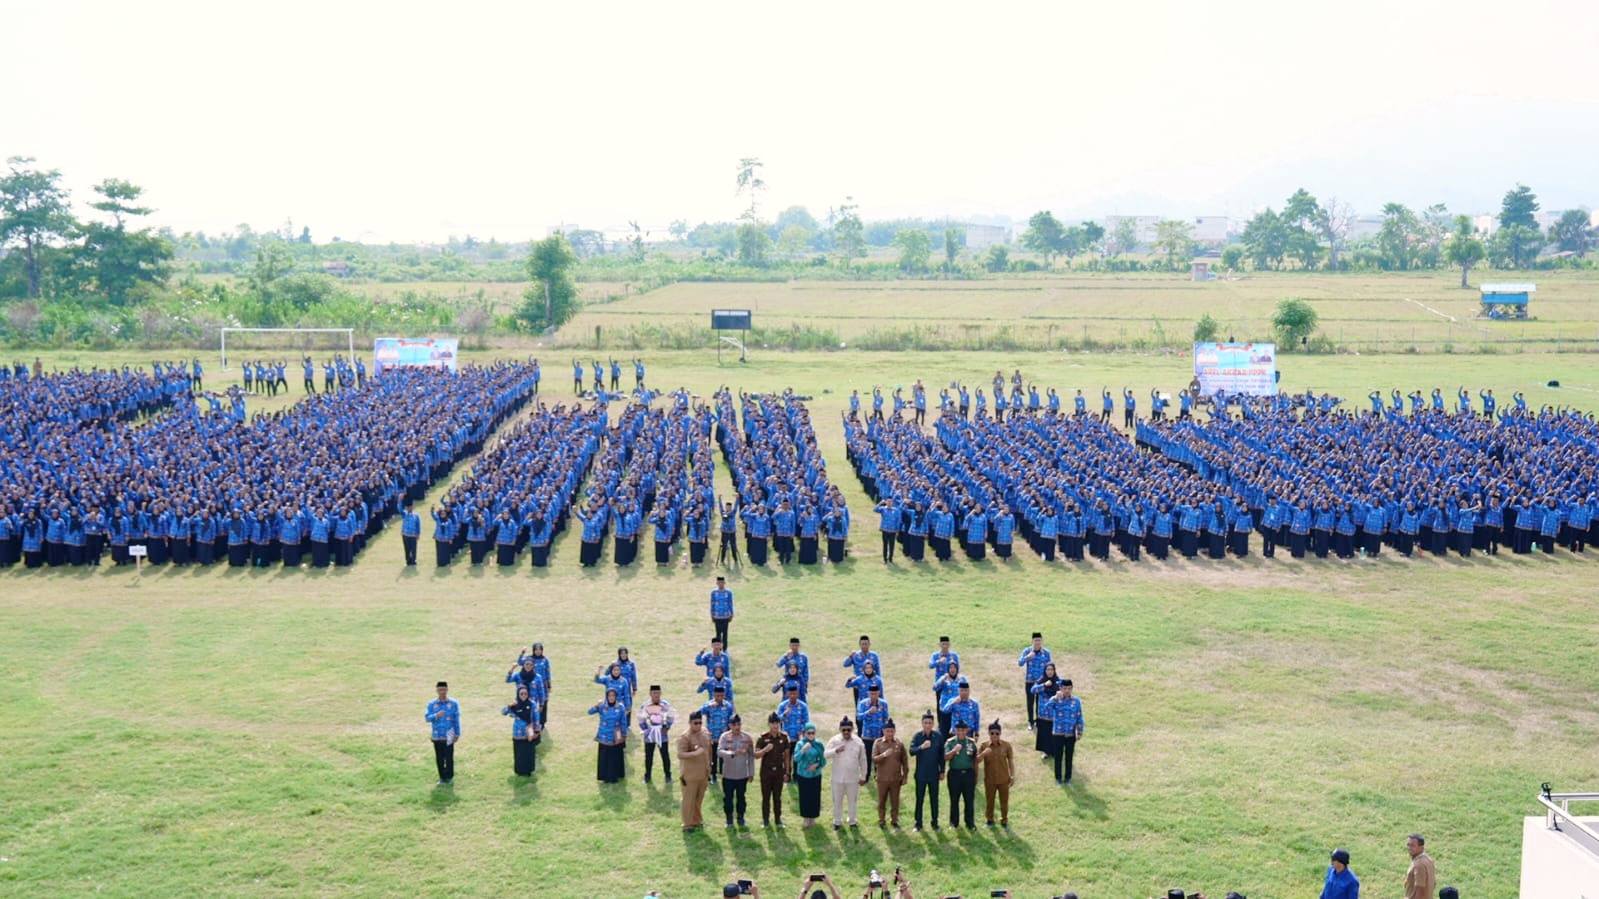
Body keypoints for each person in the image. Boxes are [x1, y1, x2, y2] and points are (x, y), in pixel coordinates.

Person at [824, 717, 868, 829]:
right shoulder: (834, 740)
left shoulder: (858, 742)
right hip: (837, 777)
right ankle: (837, 821)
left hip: (852, 778)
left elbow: (863, 760)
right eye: (844, 730)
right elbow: (825, 754)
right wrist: (835, 750)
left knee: (852, 801)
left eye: (848, 729)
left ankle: (852, 820)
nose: (846, 732)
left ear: (852, 729)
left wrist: (863, 776)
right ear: (840, 729)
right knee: (837, 801)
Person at [1041, 679, 1084, 784]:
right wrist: (1054, 698)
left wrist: (1080, 731)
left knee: (1069, 757)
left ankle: (1068, 778)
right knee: (1058, 757)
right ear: (1060, 688)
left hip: (1070, 734)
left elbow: (1079, 717)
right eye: (1064, 688)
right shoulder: (1055, 699)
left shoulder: (1076, 701)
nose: (1067, 691)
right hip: (1058, 734)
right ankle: (1058, 778)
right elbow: (1045, 710)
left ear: (1072, 689)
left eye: (1069, 688)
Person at [718, 714, 756, 828]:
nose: (737, 727)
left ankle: (741, 817)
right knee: (728, 798)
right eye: (734, 724)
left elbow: (751, 757)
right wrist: (732, 753)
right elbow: (719, 752)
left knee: (741, 798)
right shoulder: (724, 737)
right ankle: (729, 819)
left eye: (739, 724)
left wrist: (751, 773)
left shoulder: (747, 738)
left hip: (742, 774)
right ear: (730, 725)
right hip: (728, 774)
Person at [909, 711, 945, 831]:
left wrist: (942, 771)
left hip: (934, 774)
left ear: (933, 723)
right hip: (921, 774)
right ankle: (918, 823)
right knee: (919, 799)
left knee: (934, 799)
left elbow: (941, 755)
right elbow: (911, 751)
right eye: (925, 723)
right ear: (922, 723)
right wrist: (921, 747)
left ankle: (935, 823)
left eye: (930, 723)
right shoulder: (918, 736)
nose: (928, 725)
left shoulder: (938, 736)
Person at [755, 713, 791, 827]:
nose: (775, 726)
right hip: (766, 771)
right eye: (773, 723)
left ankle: (778, 820)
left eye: (777, 723)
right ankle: (765, 820)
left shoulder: (784, 737)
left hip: (779, 771)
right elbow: (756, 755)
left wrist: (787, 772)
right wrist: (765, 749)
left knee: (777, 797)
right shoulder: (763, 738)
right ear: (769, 724)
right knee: (766, 797)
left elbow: (786, 756)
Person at [678, 711, 713, 831]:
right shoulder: (685, 737)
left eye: (700, 722)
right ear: (689, 723)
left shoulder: (705, 733)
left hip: (703, 773)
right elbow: (680, 754)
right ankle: (687, 824)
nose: (698, 725)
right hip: (690, 775)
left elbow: (709, 750)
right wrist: (694, 753)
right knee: (689, 800)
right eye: (695, 723)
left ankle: (697, 820)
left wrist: (710, 765)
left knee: (699, 799)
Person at [872, 718, 909, 828]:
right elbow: (874, 759)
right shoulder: (878, 743)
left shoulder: (899, 743)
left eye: (892, 731)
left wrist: (905, 776)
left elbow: (905, 761)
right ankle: (881, 820)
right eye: (887, 731)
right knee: (881, 801)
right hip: (882, 778)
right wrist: (883, 755)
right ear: (883, 731)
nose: (889, 733)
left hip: (895, 779)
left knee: (895, 801)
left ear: (894, 731)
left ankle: (894, 820)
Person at [977, 720, 1014, 827]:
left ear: (1000, 734)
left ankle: (1004, 820)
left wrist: (1012, 776)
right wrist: (984, 753)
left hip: (1004, 779)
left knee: (1004, 802)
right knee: (990, 801)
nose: (994, 735)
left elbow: (1010, 761)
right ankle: (989, 820)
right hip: (990, 780)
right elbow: (977, 760)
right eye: (992, 733)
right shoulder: (984, 746)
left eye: (997, 733)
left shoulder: (1006, 746)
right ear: (988, 733)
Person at [588, 687, 628, 784]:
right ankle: (605, 776)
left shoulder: (621, 707)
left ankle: (615, 776)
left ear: (616, 697)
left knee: (615, 755)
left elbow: (623, 722)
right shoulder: (602, 706)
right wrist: (596, 705)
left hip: (616, 734)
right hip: (604, 735)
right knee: (605, 757)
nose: (611, 697)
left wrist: (624, 735)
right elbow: (589, 712)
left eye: (613, 696)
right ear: (607, 696)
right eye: (609, 696)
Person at [638, 685, 676, 784]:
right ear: (650, 694)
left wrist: (667, 727)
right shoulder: (645, 705)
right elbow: (641, 719)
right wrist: (645, 730)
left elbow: (671, 716)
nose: (656, 695)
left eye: (658, 693)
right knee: (648, 756)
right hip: (649, 735)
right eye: (654, 693)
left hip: (662, 735)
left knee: (665, 755)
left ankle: (668, 776)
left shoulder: (665, 704)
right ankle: (647, 776)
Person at [944, 720, 978, 829]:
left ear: (967, 730)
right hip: (955, 774)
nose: (961, 732)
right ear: (955, 731)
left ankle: (970, 823)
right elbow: (945, 757)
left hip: (968, 773)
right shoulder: (950, 742)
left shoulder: (971, 743)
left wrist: (975, 775)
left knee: (969, 799)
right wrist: (954, 751)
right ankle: (954, 823)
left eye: (963, 730)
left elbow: (975, 760)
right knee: (954, 799)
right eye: (958, 730)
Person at [501, 683, 541, 776]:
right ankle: (519, 771)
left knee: (529, 753)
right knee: (519, 753)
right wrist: (509, 706)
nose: (523, 696)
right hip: (518, 734)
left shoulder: (532, 704)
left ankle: (528, 771)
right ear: (518, 694)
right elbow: (503, 712)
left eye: (525, 694)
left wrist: (537, 731)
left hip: (528, 733)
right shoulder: (515, 705)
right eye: (521, 694)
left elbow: (536, 718)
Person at [425, 681, 460, 786]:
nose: (442, 692)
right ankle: (442, 778)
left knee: (449, 757)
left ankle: (449, 777)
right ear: (437, 690)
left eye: (444, 689)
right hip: (437, 736)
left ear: (447, 689)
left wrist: (457, 733)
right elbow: (427, 718)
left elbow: (456, 719)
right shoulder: (432, 704)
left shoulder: (453, 703)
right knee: (439, 758)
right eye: (440, 690)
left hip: (449, 734)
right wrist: (436, 715)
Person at [792, 723, 826, 828]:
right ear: (804, 733)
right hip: (803, 775)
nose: (811, 735)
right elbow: (796, 759)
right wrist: (803, 750)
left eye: (813, 733)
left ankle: (813, 818)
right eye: (809, 733)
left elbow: (823, 761)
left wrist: (817, 765)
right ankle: (806, 818)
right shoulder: (800, 744)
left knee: (815, 796)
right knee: (805, 797)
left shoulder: (819, 744)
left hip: (816, 775)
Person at [1018, 631, 1051, 729]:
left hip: (1041, 682)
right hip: (1030, 681)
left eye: (1039, 640)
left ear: (1042, 641)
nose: (1037, 642)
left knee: (1040, 702)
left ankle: (1038, 721)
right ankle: (1030, 722)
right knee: (1030, 702)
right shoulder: (1027, 651)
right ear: (1032, 641)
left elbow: (1050, 667)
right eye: (1036, 640)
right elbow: (1020, 663)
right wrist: (1027, 657)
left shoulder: (1046, 653)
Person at [1404, 834, 1435, 899]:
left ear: (1421, 847)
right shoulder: (1428, 860)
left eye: (1412, 845)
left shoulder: (1419, 865)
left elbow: (1420, 889)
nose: (1409, 848)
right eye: (1408, 845)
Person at [710, 576, 734, 648]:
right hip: (717, 616)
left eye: (722, 583)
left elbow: (730, 603)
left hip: (726, 616)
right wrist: (712, 614)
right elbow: (712, 603)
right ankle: (718, 648)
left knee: (725, 633)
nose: (721, 584)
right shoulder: (714, 592)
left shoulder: (728, 592)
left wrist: (731, 614)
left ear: (724, 583)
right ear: (717, 583)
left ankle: (725, 649)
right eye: (719, 582)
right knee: (718, 634)